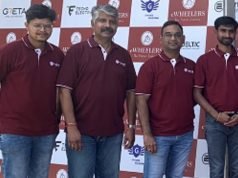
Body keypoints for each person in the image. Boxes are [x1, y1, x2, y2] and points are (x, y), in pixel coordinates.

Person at [56, 4, 137, 178]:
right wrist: (71, 126)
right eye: (102, 20)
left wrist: (131, 126)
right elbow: (64, 91)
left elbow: (131, 92)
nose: (107, 25)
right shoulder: (77, 51)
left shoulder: (123, 55)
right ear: (93, 23)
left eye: (112, 21)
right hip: (82, 132)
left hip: (113, 134)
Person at [0, 4, 64, 178]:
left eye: (47, 26)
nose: (43, 30)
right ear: (26, 25)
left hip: (46, 131)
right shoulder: (10, 51)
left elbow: (62, 92)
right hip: (14, 130)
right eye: (37, 25)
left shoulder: (58, 55)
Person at [136, 20, 195, 178]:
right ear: (160, 39)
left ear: (183, 39)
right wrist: (147, 134)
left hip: (185, 135)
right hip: (158, 136)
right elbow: (141, 101)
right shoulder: (150, 66)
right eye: (168, 35)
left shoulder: (191, 66)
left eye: (177, 35)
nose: (173, 38)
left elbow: (194, 98)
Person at [194, 16, 238, 178]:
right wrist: (216, 115)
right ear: (216, 32)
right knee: (216, 169)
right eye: (223, 31)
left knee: (236, 169)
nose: (227, 35)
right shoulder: (204, 60)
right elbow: (197, 93)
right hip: (214, 123)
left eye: (231, 31)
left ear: (235, 34)